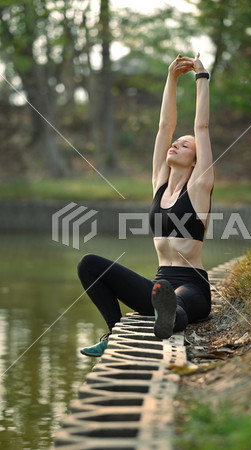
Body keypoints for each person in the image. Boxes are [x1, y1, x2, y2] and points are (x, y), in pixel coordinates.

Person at [77, 53, 214, 357]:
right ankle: (115, 334)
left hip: (191, 287)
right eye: (175, 142)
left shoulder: (200, 186)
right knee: (90, 264)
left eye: (185, 145)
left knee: (175, 304)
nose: (175, 144)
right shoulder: (159, 184)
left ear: (195, 162)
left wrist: (200, 78)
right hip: (159, 283)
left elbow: (202, 127)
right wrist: (171, 78)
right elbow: (165, 125)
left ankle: (169, 317)